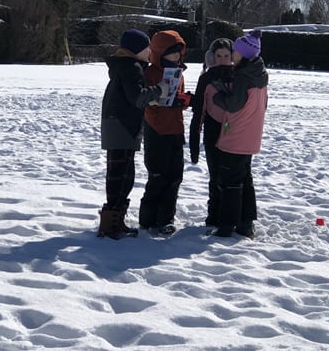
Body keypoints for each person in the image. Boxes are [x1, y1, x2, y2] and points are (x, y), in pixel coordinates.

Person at [99, 28, 167, 239]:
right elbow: (137, 97)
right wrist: (159, 90)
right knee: (122, 176)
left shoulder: (122, 66)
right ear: (137, 49)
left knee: (118, 174)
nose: (150, 53)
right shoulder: (132, 68)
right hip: (123, 126)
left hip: (115, 125)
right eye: (147, 48)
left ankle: (113, 220)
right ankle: (111, 225)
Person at [205, 29, 268, 238]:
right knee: (245, 179)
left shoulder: (243, 77)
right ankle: (246, 222)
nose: (232, 55)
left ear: (243, 54)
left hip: (236, 136)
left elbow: (233, 105)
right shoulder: (259, 74)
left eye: (235, 52)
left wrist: (219, 96)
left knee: (230, 181)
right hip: (251, 135)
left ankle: (226, 225)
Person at [140, 30, 190, 235]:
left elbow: (177, 98)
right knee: (157, 176)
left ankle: (166, 218)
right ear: (159, 53)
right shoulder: (150, 73)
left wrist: (184, 100)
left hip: (176, 129)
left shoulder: (179, 74)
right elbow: (146, 102)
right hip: (156, 130)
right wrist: (163, 102)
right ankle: (147, 218)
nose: (176, 57)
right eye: (172, 54)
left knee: (174, 177)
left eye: (179, 54)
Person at [188, 38, 234, 226]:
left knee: (232, 176)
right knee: (215, 176)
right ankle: (214, 215)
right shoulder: (206, 78)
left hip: (233, 131)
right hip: (212, 131)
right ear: (211, 57)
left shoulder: (238, 76)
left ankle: (230, 215)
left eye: (226, 55)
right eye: (218, 56)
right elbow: (199, 110)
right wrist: (193, 142)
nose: (222, 59)